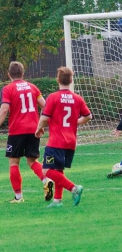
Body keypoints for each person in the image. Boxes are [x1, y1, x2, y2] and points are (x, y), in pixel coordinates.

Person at [35, 67, 92, 208]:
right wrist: (76, 122)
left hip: (56, 141)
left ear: (57, 79)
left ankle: (74, 188)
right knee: (59, 169)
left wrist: (38, 128)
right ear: (71, 80)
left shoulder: (53, 97)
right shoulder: (77, 98)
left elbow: (44, 118)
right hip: (71, 141)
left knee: (46, 170)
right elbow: (88, 116)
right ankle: (57, 201)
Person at [0, 61, 53, 203]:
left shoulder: (8, 89)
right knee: (32, 161)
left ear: (8, 74)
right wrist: (41, 124)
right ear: (23, 74)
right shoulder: (33, 87)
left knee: (13, 162)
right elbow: (46, 107)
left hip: (17, 130)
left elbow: (4, 110)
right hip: (33, 129)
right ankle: (46, 180)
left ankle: (18, 197)